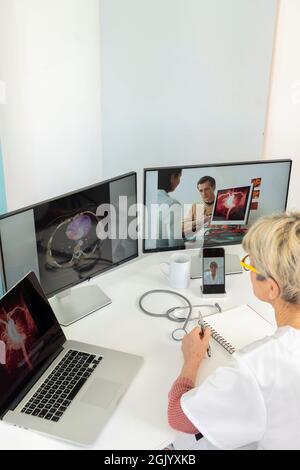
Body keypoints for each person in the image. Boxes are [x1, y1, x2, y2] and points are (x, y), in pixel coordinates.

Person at [168, 212, 300, 450]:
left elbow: (178, 417)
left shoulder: (259, 367)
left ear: (271, 288)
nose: (248, 269)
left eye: (251, 263)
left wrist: (192, 359)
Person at [156, 169, 184, 249]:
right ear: (172, 177)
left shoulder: (145, 198)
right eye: (179, 177)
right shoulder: (172, 204)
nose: (179, 181)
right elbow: (175, 245)